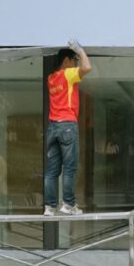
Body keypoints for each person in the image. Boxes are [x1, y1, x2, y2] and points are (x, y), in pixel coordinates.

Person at [43, 39, 92, 216]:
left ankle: (49, 207)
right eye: (74, 61)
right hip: (67, 126)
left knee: (51, 171)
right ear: (66, 62)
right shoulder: (67, 74)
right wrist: (80, 50)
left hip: (53, 127)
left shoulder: (51, 79)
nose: (76, 64)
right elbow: (87, 67)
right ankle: (69, 204)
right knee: (69, 168)